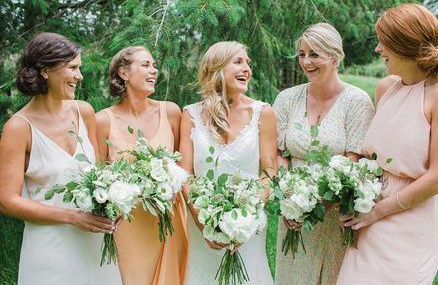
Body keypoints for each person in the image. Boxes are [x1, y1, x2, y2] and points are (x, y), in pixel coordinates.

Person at [337, 3, 438, 284]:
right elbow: (371, 155)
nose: (378, 50)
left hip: (411, 218)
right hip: (370, 208)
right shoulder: (386, 88)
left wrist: (378, 211)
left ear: (405, 46)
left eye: (384, 42)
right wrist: (350, 190)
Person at [0, 33, 122, 285]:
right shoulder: (18, 127)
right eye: (73, 68)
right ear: (46, 71)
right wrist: (72, 217)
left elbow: (99, 174)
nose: (80, 76)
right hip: (49, 249)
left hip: (95, 247)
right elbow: (7, 201)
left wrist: (113, 204)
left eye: (80, 68)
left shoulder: (84, 111)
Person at [273, 23, 375, 285]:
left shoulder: (357, 101)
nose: (306, 61)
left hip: (336, 214)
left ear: (335, 56)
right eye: (301, 54)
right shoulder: (286, 99)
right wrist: (290, 200)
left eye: (314, 54)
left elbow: (354, 161)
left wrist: (319, 205)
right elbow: (280, 154)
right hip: (293, 212)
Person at [179, 41, 277, 285]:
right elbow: (185, 173)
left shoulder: (262, 112)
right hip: (202, 223)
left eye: (248, 63)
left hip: (248, 227)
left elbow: (269, 171)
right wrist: (204, 224)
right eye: (238, 62)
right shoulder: (190, 114)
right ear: (216, 68)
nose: (247, 68)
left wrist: (247, 218)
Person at [96, 46, 188, 285]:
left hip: (168, 219)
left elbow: (181, 166)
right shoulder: (103, 120)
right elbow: (98, 176)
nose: (154, 70)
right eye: (146, 65)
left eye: (154, 65)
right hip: (127, 224)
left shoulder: (170, 112)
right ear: (124, 73)